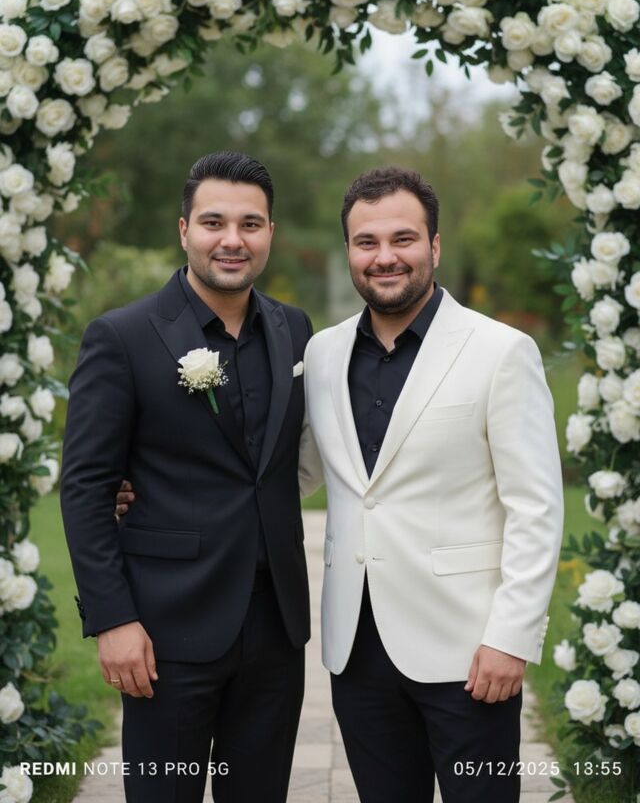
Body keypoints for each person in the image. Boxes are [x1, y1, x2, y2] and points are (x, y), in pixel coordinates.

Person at [298, 167, 564, 803]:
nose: (384, 256)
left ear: (435, 246)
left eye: (403, 239)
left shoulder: (501, 351)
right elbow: (297, 473)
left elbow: (535, 508)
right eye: (367, 242)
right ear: (349, 251)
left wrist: (510, 639)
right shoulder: (323, 355)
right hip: (356, 648)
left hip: (468, 651)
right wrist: (154, 483)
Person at [60, 151, 312, 803]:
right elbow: (86, 487)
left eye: (250, 224)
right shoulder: (122, 337)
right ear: (184, 230)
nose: (233, 240)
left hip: (276, 629)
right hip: (165, 631)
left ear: (270, 232)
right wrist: (112, 620)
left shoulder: (293, 330)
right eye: (213, 222)